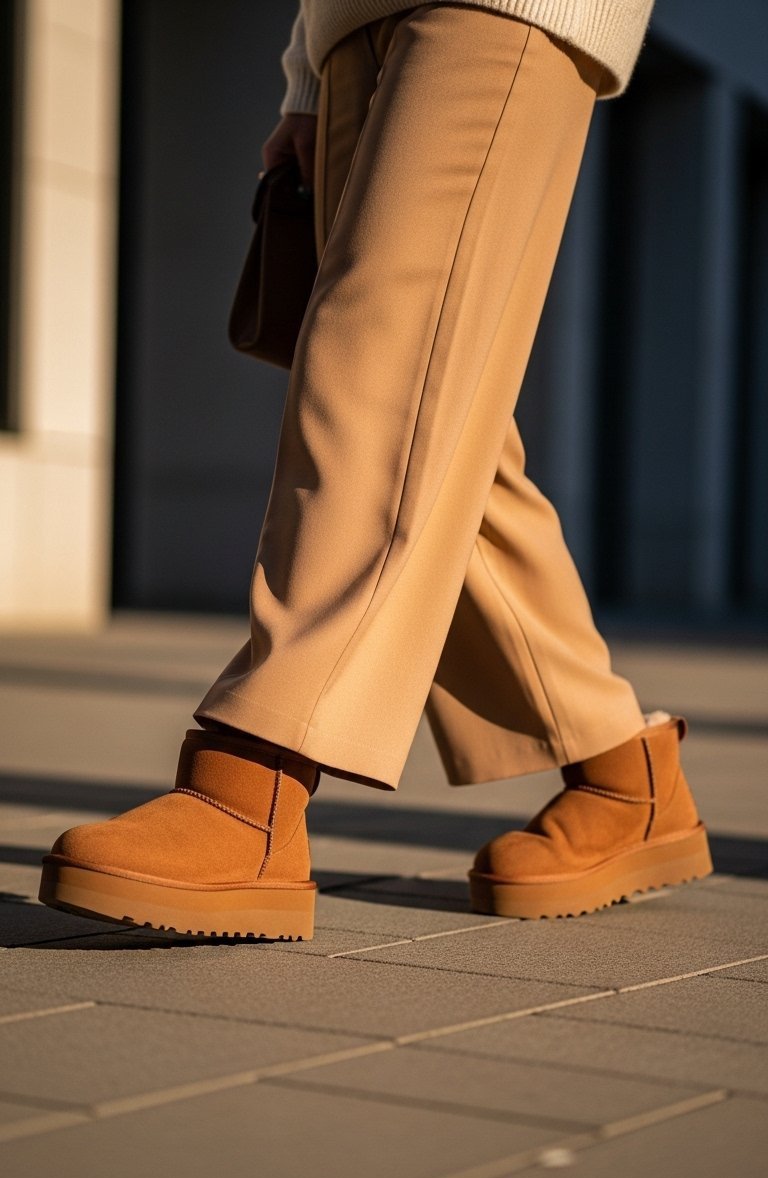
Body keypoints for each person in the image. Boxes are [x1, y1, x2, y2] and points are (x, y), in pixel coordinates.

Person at [39, 0, 712, 940]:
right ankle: (624, 775)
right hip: (353, 21)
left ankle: (255, 787)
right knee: (439, 409)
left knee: (380, 366)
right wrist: (307, 75)